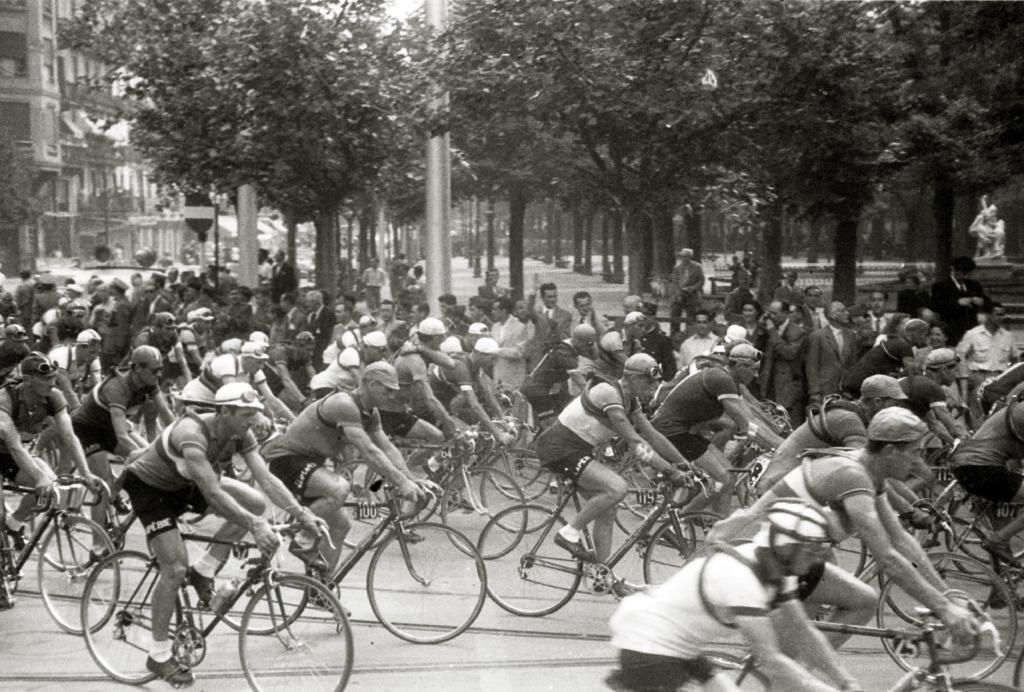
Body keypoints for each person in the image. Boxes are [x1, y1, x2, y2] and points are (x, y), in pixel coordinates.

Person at [710, 407, 977, 649]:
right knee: (859, 603)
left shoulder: (869, 473)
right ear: (890, 451)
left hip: (788, 559)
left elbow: (901, 540)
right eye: (916, 452)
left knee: (841, 613)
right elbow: (888, 559)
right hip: (756, 558)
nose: (920, 463)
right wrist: (944, 609)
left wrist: (949, 597)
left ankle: (796, 673)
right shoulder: (851, 475)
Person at [121, 383, 325, 685]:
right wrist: (256, 526)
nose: (251, 420)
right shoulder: (191, 433)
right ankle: (159, 654)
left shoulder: (241, 432)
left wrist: (302, 513)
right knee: (175, 569)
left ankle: (203, 569)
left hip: (185, 484)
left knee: (254, 503)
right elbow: (214, 494)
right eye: (245, 414)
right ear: (223, 411)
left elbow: (265, 479)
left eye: (254, 414)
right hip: (151, 489)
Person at [609, 500, 860, 692]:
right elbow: (772, 659)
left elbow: (804, 633)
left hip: (680, 648)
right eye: (811, 552)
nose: (818, 560)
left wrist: (846, 682)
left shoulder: (777, 570)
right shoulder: (741, 580)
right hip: (648, 647)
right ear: (786, 546)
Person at [261, 362, 431, 573]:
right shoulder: (344, 403)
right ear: (370, 384)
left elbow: (386, 447)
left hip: (311, 462)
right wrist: (401, 482)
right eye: (387, 389)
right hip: (287, 459)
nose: (391, 395)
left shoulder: (370, 412)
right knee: (339, 488)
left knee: (341, 526)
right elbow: (369, 450)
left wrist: (410, 478)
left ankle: (319, 588)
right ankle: (302, 538)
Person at [535, 354, 693, 575]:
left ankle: (601, 573)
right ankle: (568, 532)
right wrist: (670, 470)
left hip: (577, 450)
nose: (653, 387)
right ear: (630, 378)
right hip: (558, 448)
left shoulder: (632, 401)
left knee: (608, 511)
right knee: (617, 487)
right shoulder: (608, 393)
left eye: (655, 382)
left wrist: (683, 464)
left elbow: (653, 435)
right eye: (649, 382)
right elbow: (637, 442)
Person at [651, 343, 785, 515]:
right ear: (740, 366)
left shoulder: (729, 379)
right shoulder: (721, 379)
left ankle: (720, 523)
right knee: (722, 478)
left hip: (685, 430)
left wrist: (778, 434)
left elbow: (751, 414)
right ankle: (680, 519)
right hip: (673, 431)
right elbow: (748, 425)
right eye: (753, 369)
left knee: (728, 479)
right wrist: (783, 447)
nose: (756, 374)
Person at [753, 374, 912, 493]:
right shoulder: (849, 421)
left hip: (789, 486)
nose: (897, 408)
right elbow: (867, 469)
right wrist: (908, 509)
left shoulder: (854, 415)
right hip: (782, 489)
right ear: (878, 401)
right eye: (895, 403)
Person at [521, 323, 596, 428]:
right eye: (587, 344)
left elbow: (594, 356)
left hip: (546, 390)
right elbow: (579, 380)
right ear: (577, 340)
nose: (588, 348)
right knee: (552, 427)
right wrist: (593, 397)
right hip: (538, 391)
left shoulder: (567, 346)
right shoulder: (564, 353)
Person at [956, 302, 1019, 425]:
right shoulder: (973, 334)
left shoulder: (1007, 336)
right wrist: (966, 376)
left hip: (1000, 379)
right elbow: (959, 356)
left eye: (1002, 314)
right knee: (977, 414)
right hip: (978, 377)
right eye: (998, 314)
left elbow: (1016, 357)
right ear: (989, 315)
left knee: (999, 413)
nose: (1001, 318)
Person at [839, 318, 927, 398]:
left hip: (852, 382)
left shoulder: (894, 341)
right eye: (923, 335)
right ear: (914, 333)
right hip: (859, 387)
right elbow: (911, 371)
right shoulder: (904, 346)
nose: (925, 339)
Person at [759, 300, 807, 427]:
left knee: (789, 425)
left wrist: (772, 332)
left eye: (774, 314)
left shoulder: (797, 332)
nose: (770, 317)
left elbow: (789, 353)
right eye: (769, 313)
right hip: (769, 384)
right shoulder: (767, 329)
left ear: (785, 313)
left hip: (787, 387)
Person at [805, 301, 858, 406]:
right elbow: (812, 366)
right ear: (831, 315)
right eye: (842, 311)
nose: (847, 313)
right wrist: (814, 392)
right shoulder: (818, 336)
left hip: (845, 391)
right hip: (825, 389)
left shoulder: (850, 335)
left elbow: (853, 363)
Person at [930, 255, 988, 346]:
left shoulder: (974, 285)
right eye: (963, 273)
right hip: (951, 327)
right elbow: (936, 305)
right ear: (954, 271)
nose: (966, 276)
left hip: (971, 328)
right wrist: (957, 302)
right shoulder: (941, 286)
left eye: (968, 273)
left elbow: (986, 302)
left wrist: (981, 301)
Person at [490, 297, 533, 389]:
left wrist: (497, 351)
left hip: (514, 378)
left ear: (503, 311)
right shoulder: (494, 327)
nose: (492, 312)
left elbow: (519, 352)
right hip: (497, 378)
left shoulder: (520, 327)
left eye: (495, 309)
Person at [626, 304, 677, 381]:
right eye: (641, 314)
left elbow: (669, 368)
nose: (644, 317)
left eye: (648, 314)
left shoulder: (662, 340)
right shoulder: (632, 338)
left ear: (654, 317)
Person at [668, 248, 704, 335]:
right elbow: (675, 282)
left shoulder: (697, 267)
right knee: (675, 312)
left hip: (692, 294)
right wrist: (678, 293)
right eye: (682, 256)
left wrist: (691, 289)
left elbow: (701, 281)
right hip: (679, 294)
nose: (683, 258)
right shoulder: (677, 267)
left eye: (686, 257)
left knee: (691, 315)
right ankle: (674, 334)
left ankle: (690, 333)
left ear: (690, 257)